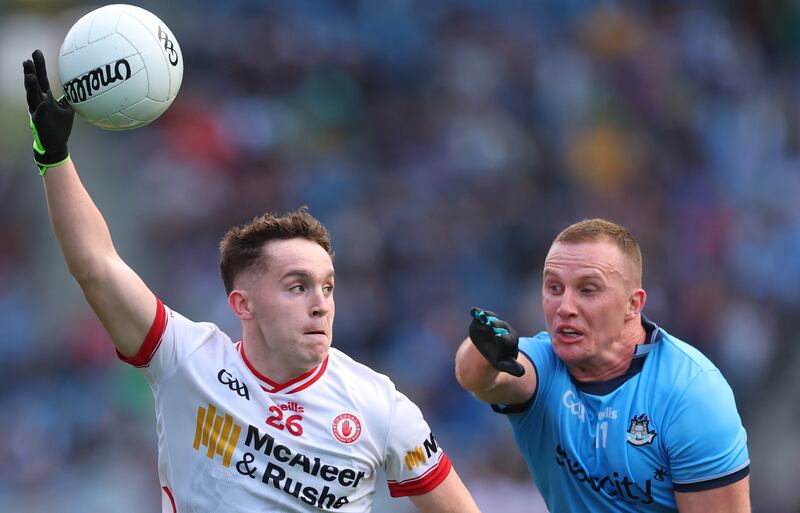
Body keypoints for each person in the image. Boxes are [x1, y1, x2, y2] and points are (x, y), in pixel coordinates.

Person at [23, 49, 481, 513]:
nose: (321, 304)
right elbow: (96, 266)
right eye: (298, 286)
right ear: (243, 304)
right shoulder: (186, 360)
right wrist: (54, 157)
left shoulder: (380, 405)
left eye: (327, 287)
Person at [455, 218, 750, 513]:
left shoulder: (691, 392)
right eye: (554, 287)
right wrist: (483, 349)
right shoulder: (545, 364)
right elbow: (481, 378)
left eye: (588, 290)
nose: (565, 307)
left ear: (633, 304)